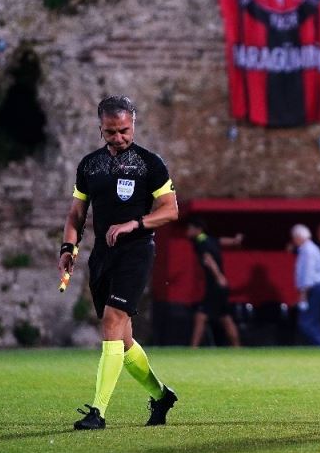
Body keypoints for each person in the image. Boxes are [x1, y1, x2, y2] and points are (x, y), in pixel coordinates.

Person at [60, 96, 179, 430]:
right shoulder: (89, 166)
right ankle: (161, 395)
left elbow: (171, 210)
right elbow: (75, 214)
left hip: (137, 250)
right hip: (102, 255)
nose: (118, 138)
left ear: (134, 124)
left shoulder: (150, 164)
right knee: (123, 339)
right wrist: (67, 247)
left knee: (112, 320)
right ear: (100, 128)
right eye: (111, 132)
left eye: (124, 130)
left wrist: (135, 224)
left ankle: (97, 412)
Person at [186, 218, 243, 348]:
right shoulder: (208, 239)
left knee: (201, 316)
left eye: (190, 228)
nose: (187, 231)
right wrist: (235, 241)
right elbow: (221, 240)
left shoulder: (201, 242)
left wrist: (219, 277)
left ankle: (193, 348)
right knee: (225, 318)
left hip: (215, 285)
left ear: (197, 230)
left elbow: (208, 259)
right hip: (218, 286)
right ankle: (238, 347)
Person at [291, 224, 320, 345]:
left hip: (312, 289)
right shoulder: (310, 249)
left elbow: (307, 273)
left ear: (299, 236)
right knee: (314, 320)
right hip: (315, 288)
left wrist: (303, 294)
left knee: (306, 322)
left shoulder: (308, 250)